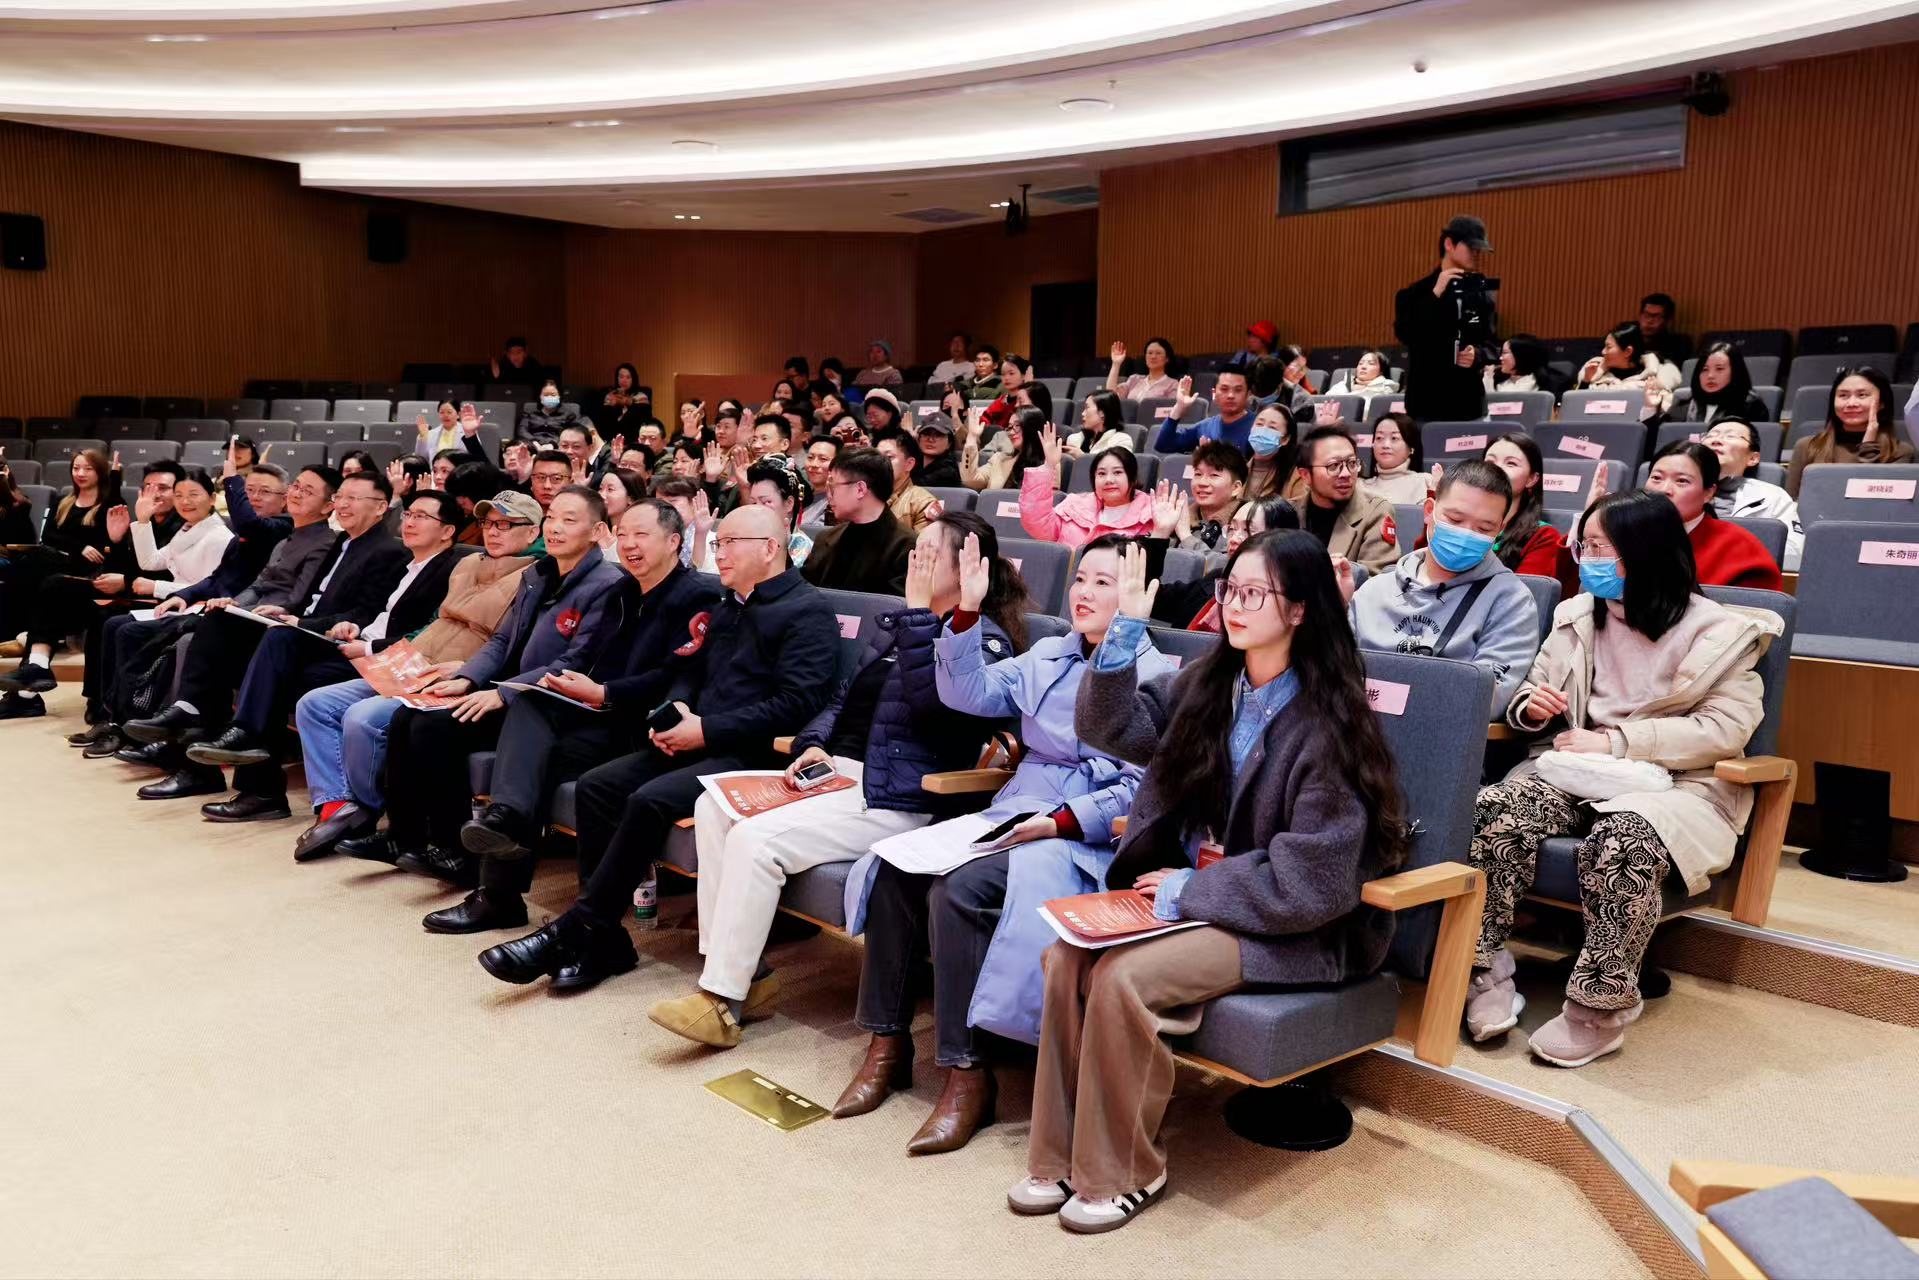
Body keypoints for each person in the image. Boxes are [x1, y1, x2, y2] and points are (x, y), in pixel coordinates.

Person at [1007, 532, 1405, 1232]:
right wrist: (1123, 637)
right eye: (1230, 590)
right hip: (1202, 900)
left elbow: (1311, 883)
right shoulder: (1207, 684)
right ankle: (1058, 1157)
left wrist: (1189, 891)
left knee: (1122, 977)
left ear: (1301, 609)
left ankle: (1126, 1169)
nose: (1234, 606)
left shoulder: (1331, 726)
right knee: (1067, 956)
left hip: (1290, 925)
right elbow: (1108, 727)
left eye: (1255, 593)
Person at [834, 534, 1175, 1153]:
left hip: (1083, 837)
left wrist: (1063, 821)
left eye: (1104, 582)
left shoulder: (1157, 675)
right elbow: (966, 693)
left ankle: (969, 1074)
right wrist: (966, 614)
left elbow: (1143, 791)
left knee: (957, 891)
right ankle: (887, 1044)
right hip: (1015, 810)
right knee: (895, 869)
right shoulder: (1048, 652)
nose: (1084, 593)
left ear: (1137, 593)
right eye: (1080, 579)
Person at [648, 512, 1031, 1047]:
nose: (914, 562)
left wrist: (921, 618)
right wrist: (813, 744)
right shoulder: (898, 624)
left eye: (928, 553)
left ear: (969, 569)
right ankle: (746, 978)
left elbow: (935, 712)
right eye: (914, 551)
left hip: (898, 796)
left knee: (755, 840)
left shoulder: (984, 641)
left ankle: (720, 998)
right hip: (840, 776)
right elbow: (842, 699)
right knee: (714, 807)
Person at [1464, 490, 1775, 1067]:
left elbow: (1725, 728)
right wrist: (1531, 708)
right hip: (1576, 769)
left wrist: (1618, 742)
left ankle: (1598, 1010)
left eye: (1599, 548)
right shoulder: (1578, 616)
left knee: (1624, 839)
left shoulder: (1723, 633)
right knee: (1496, 809)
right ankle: (1483, 969)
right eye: (1584, 546)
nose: (1585, 559)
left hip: (1679, 784)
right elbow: (1533, 687)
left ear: (1644, 551)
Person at [475, 504, 841, 992]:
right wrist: (677, 711)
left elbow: (796, 704)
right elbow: (689, 669)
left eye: (730, 543)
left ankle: (579, 929)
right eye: (719, 543)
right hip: (699, 736)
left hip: (752, 754)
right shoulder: (731, 604)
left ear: (771, 548)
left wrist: (706, 730)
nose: (719, 553)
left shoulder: (807, 611)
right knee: (597, 786)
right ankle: (603, 937)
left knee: (647, 800)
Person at [437, 498, 717, 931]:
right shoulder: (624, 590)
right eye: (623, 535)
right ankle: (502, 870)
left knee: (529, 761)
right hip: (603, 714)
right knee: (529, 711)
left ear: (673, 542)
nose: (629, 544)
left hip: (650, 725)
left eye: (641, 535)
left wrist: (605, 691)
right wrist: (565, 683)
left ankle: (505, 884)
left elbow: (677, 674)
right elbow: (588, 656)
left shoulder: (698, 594)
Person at [343, 486, 632, 885]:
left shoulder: (608, 584)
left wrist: (502, 692)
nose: (555, 528)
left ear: (598, 531)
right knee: (408, 716)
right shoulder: (538, 573)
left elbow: (575, 663)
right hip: (507, 688)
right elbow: (501, 640)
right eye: (552, 518)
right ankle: (402, 836)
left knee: (435, 728)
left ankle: (456, 853)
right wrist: (467, 678)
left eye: (569, 520)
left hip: (549, 704)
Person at [179, 489, 464, 821]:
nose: (410, 522)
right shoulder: (408, 565)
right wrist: (353, 627)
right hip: (357, 644)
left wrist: (366, 644)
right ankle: (251, 767)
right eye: (409, 514)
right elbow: (374, 613)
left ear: (447, 531)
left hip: (386, 661)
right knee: (262, 654)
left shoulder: (450, 570)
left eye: (422, 517)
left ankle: (260, 777)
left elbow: (428, 633)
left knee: (276, 668)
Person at [289, 490, 542, 861]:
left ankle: (368, 814)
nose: (492, 531)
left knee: (363, 718)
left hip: (452, 675)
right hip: (412, 661)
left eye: (505, 525)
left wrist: (468, 670)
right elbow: (435, 621)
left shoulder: (535, 576)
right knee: (314, 703)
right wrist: (388, 652)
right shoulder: (467, 564)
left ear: (533, 531)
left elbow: (509, 644)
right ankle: (338, 805)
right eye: (488, 522)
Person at [121, 471, 412, 774]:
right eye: (342, 497)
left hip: (331, 638)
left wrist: (299, 621)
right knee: (218, 622)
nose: (344, 504)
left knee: (271, 641)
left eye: (354, 498)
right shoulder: (342, 541)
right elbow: (305, 596)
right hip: (301, 628)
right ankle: (191, 713)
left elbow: (364, 614)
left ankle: (244, 735)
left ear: (381, 507)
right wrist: (282, 611)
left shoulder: (388, 550)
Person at [4, 467, 226, 708]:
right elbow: (144, 563)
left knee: (102, 616)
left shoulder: (198, 529)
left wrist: (131, 581)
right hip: (136, 591)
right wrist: (119, 540)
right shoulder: (180, 527)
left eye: (164, 488)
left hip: (167, 601)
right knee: (53, 586)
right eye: (148, 488)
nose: (155, 494)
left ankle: (97, 702)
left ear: (211, 498)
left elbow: (203, 584)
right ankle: (36, 667)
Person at [1347, 460, 1540, 716]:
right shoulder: (1374, 590)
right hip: (1352, 728)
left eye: (1484, 528)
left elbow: (1484, 698)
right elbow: (1331, 675)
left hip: (1435, 731)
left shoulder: (1511, 601)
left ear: (1499, 530)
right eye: (1455, 519)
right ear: (1429, 511)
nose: (1466, 534)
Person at [1394, 214, 1496, 423]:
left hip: (1469, 404)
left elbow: (1492, 343)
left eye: (1479, 249)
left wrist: (1477, 354)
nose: (1476, 254)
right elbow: (1406, 334)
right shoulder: (1413, 294)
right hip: (1426, 404)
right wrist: (1434, 295)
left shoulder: (1481, 292)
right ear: (1449, 244)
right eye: (1471, 247)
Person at [1145, 495, 1300, 630]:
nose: (1234, 539)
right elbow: (1150, 596)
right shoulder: (1216, 579)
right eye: (1232, 529)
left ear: (1279, 539)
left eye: (1248, 530)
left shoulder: (1278, 601)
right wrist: (1160, 533)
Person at [1643, 442, 1783, 590]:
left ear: (1709, 493)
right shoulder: (1628, 531)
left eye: (1682, 481)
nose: (1664, 490)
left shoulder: (1741, 549)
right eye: (1656, 478)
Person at [1784, 365, 1914, 498]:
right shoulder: (1807, 447)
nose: (1851, 403)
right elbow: (1790, 502)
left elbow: (1869, 501)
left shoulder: (1900, 452)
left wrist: (1868, 446)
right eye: (1843, 395)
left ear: (1882, 403)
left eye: (1862, 395)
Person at [801, 447, 914, 594]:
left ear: (860, 489)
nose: (829, 495)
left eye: (832, 486)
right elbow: (803, 593)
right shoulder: (826, 539)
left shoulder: (906, 548)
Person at [1291, 427, 1399, 574]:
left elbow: (1376, 578)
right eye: (1333, 466)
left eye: (1352, 463)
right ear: (1305, 475)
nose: (1346, 473)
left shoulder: (1375, 512)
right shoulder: (1289, 512)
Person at [1021, 430, 1154, 546]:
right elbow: (1037, 524)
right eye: (1101, 473)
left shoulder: (1152, 514)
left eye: (1117, 472)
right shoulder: (1074, 506)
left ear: (1133, 478)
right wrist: (1048, 466)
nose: (1109, 480)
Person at [1700, 419, 1802, 566]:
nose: (1716, 440)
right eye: (1711, 435)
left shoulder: (1772, 496)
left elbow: (1793, 551)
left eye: (1730, 436)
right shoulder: (1676, 488)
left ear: (1753, 458)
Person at [695, 456, 814, 571]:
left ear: (789, 503)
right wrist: (700, 535)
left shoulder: (802, 546)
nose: (758, 508)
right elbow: (707, 572)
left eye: (766, 502)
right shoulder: (743, 536)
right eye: (754, 502)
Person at [1482, 433, 1569, 580]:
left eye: (1511, 463)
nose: (1496, 469)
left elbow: (1524, 592)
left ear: (1531, 479)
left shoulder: (1543, 536)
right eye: (1490, 462)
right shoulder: (1462, 522)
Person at [1575, 323, 1675, 419]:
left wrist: (1650, 406)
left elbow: (1662, 418)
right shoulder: (1593, 370)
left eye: (1608, 347)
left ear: (1628, 351)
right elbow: (1576, 410)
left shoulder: (1653, 381)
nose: (1603, 352)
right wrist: (1586, 381)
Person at [1154, 366, 1254, 454]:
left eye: (1238, 390)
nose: (1230, 395)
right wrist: (1179, 407)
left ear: (1248, 395)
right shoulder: (1205, 427)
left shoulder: (1257, 426)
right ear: (1214, 394)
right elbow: (1164, 445)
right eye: (1224, 389)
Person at [961, 405, 1048, 493]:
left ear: (1032, 427)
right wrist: (972, 437)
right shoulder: (999, 460)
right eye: (1009, 427)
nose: (1011, 432)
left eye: (1017, 426)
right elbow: (969, 479)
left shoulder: (1049, 463)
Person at [1678, 343, 1769, 425]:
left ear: (1735, 372)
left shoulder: (1751, 407)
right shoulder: (1684, 407)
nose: (1710, 376)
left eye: (1719, 369)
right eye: (1705, 369)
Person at [1361, 412, 1433, 505]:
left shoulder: (1425, 482)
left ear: (1411, 448)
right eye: (1379, 438)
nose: (1385, 445)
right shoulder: (1360, 486)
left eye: (1394, 438)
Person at [875, 432, 941, 533]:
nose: (878, 463)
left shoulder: (923, 503)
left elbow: (926, 542)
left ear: (909, 464)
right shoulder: (865, 495)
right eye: (876, 457)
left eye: (888, 457)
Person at [1243, 402, 1303, 502]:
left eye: (1272, 427)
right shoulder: (1237, 469)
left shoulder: (1296, 477)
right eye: (1259, 424)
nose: (1262, 430)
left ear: (1285, 439)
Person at [1103, 338, 1178, 401]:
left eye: (1158, 353)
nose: (1153, 356)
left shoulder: (1173, 384)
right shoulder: (1134, 379)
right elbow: (1111, 395)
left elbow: (1169, 410)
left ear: (1167, 358)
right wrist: (1116, 364)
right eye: (1150, 353)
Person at [517, 379, 589, 443]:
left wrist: (553, 444)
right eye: (546, 395)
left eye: (553, 395)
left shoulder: (569, 416)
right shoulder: (529, 415)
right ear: (540, 397)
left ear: (559, 396)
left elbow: (571, 433)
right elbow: (522, 431)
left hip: (558, 447)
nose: (549, 397)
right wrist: (534, 442)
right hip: (532, 446)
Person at [1484, 334, 1559, 395]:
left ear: (1521, 356)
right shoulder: (1497, 381)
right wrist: (1488, 379)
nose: (1501, 358)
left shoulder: (1543, 385)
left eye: (1505, 353)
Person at [1064, 391, 1129, 459]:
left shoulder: (1121, 441)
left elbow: (1113, 464)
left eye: (1087, 408)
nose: (1083, 414)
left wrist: (1082, 457)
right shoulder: (1074, 439)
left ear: (1102, 413)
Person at [1636, 292, 1693, 368]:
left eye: (1657, 317)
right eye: (1646, 315)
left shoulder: (1678, 343)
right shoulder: (1627, 336)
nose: (1650, 321)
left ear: (1668, 320)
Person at [593, 363, 649, 436]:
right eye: (621, 377)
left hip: (633, 433)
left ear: (633, 380)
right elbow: (604, 421)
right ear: (617, 378)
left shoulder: (641, 396)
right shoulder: (611, 396)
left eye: (628, 377)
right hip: (612, 434)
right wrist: (613, 405)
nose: (624, 380)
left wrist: (626, 402)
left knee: (639, 409)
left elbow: (643, 418)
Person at [1326, 349, 1399, 399]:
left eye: (1371, 363)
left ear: (1381, 370)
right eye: (1360, 363)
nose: (1363, 367)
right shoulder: (1344, 384)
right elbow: (1326, 400)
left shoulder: (1386, 386)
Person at [915, 417, 962, 488]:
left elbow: (914, 487)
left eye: (938, 435)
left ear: (949, 443)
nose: (930, 439)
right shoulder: (915, 462)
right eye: (926, 434)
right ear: (918, 439)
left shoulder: (948, 471)